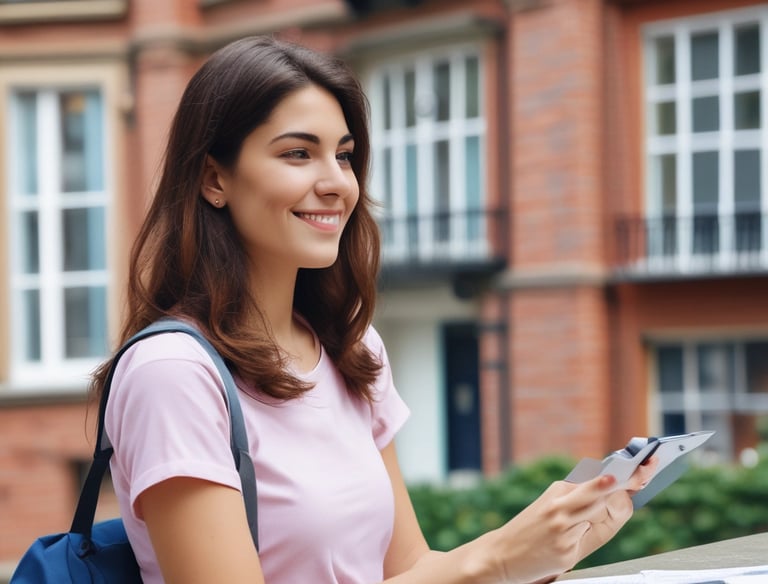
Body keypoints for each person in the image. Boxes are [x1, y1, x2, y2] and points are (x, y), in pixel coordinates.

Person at [90, 35, 656, 584]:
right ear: (215, 178)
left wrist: (546, 547)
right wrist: (495, 561)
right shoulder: (172, 375)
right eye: (297, 153)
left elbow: (410, 571)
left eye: (344, 155)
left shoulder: (352, 348)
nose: (338, 183)